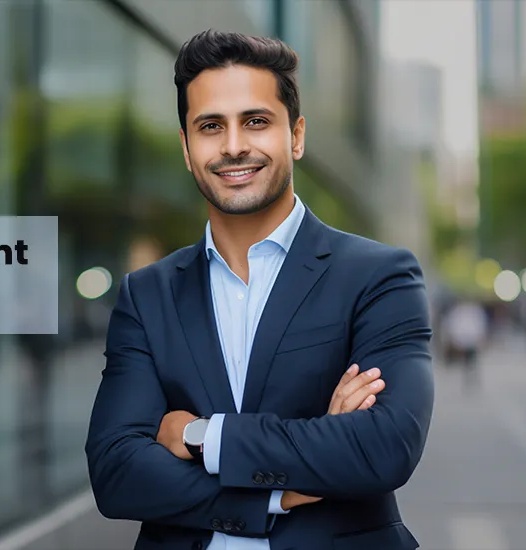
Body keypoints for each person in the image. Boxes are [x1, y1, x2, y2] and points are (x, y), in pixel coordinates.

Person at [84, 30, 434, 550]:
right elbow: (116, 473)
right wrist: (279, 490)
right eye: (210, 126)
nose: (232, 146)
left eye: (255, 121)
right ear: (186, 148)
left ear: (295, 135)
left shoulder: (378, 276)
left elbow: (383, 447)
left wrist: (199, 436)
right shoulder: (147, 295)